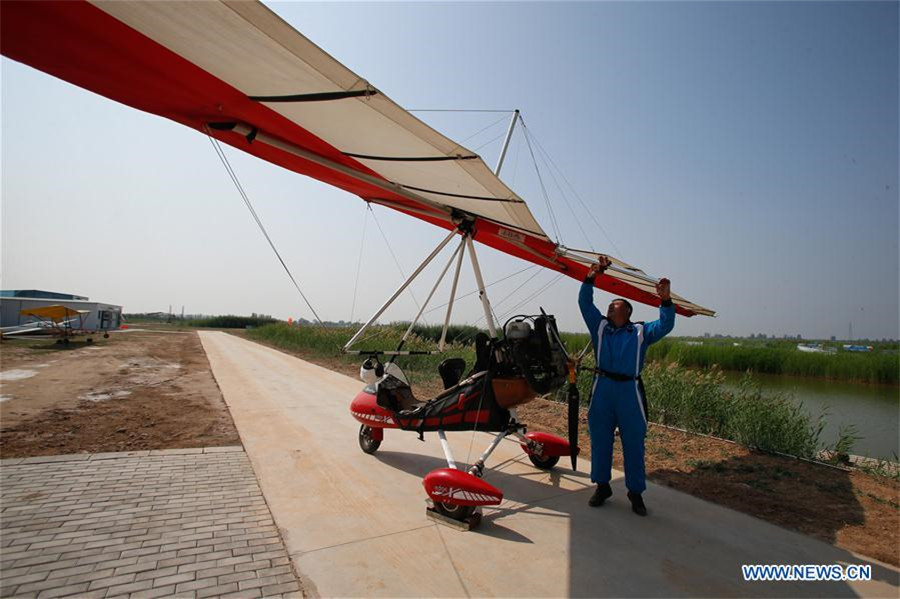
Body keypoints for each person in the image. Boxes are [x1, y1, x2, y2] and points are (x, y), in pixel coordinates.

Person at [578, 256, 674, 516]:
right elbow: (585, 303)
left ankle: (635, 492)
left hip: (629, 392)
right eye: (608, 307)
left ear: (627, 313)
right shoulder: (600, 328)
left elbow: (666, 324)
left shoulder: (641, 332)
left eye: (614, 307)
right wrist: (591, 276)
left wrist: (665, 299)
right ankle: (602, 486)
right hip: (602, 389)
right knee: (599, 439)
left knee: (633, 443)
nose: (609, 310)